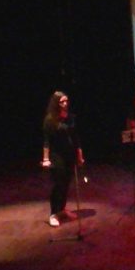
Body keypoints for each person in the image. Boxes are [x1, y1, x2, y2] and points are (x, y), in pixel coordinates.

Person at [41, 91, 84, 227]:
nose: (65, 104)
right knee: (58, 184)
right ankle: (53, 213)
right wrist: (46, 158)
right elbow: (47, 141)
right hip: (56, 156)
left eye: (66, 101)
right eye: (62, 101)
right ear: (56, 103)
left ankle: (62, 209)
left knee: (66, 184)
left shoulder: (70, 118)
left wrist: (80, 155)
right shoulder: (50, 119)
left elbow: (76, 138)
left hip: (69, 155)